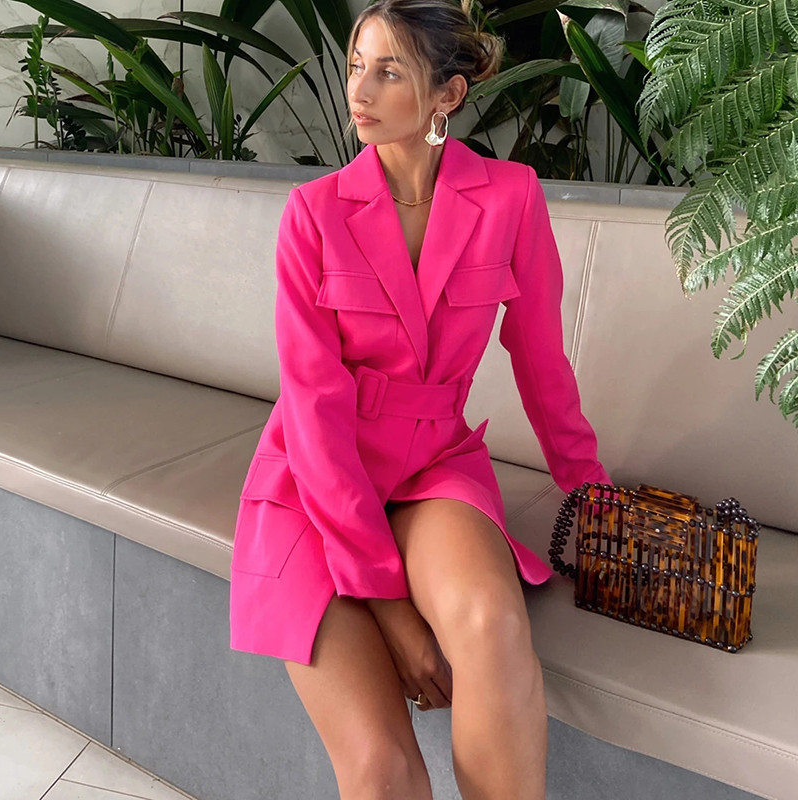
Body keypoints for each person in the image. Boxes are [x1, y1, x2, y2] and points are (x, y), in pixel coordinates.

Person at [229, 1, 611, 797]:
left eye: (389, 71)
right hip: (314, 486)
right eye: (355, 67)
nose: (360, 90)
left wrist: (593, 496)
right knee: (382, 769)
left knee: (491, 623)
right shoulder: (313, 213)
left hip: (434, 466)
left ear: (448, 94)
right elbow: (313, 412)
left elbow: (542, 362)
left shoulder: (510, 198)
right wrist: (395, 613)